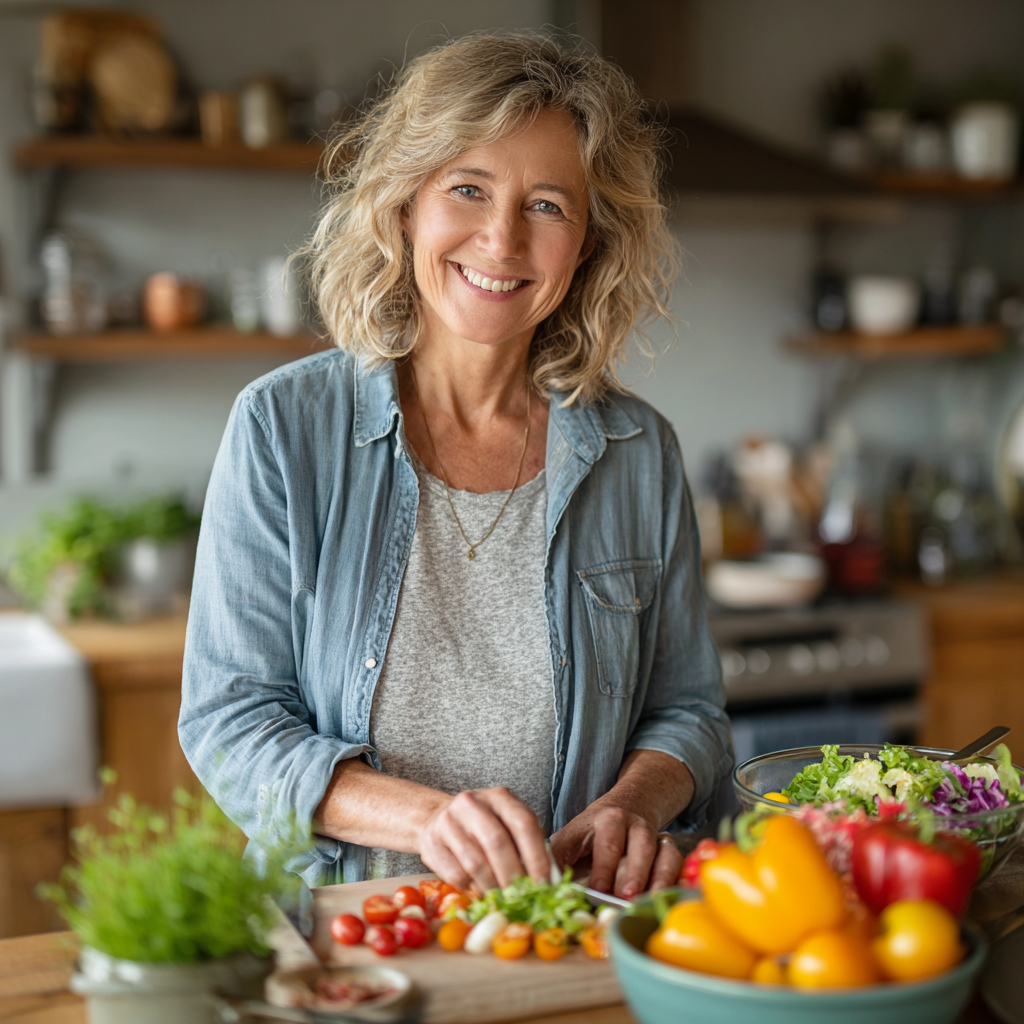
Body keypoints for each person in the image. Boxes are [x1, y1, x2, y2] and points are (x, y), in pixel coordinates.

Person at [179, 32, 732, 898]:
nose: (502, 239)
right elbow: (230, 722)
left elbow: (688, 712)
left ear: (587, 242)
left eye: (547, 205)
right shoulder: (284, 428)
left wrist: (634, 804)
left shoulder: (639, 451)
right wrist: (429, 819)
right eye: (467, 189)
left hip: (562, 927)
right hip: (349, 928)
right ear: (405, 207)